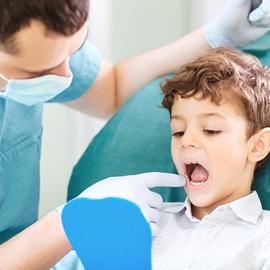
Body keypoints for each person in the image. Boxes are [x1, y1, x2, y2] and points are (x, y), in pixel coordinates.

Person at [1, 0, 270, 268]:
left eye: (74, 50)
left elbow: (111, 88)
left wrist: (216, 36)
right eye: (177, 131)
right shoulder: (140, 231)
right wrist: (64, 224)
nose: (67, 75)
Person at [150, 47, 270, 269]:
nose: (187, 141)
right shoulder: (150, 222)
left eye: (211, 130)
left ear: (257, 146)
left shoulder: (264, 239)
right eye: (178, 132)